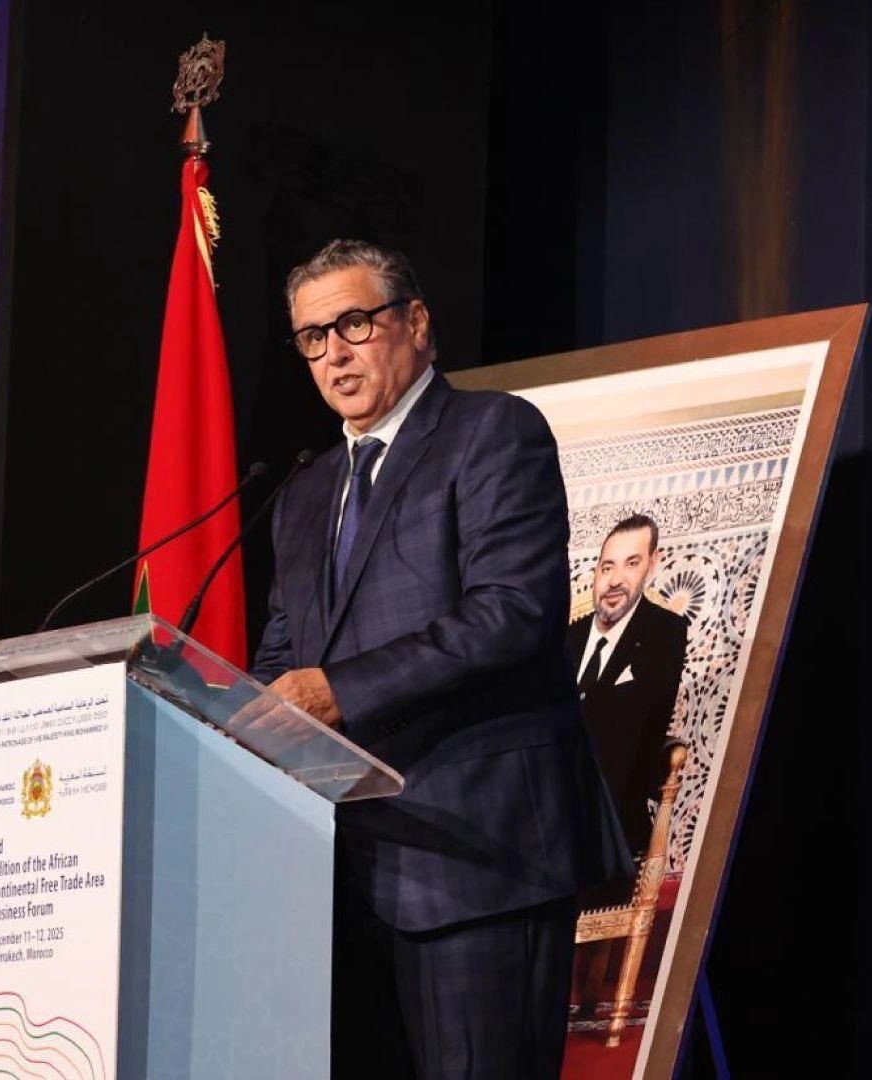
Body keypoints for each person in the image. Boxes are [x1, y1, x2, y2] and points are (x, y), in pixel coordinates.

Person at [250, 238, 629, 1079]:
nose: (334, 353)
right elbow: (284, 650)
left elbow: (511, 613)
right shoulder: (304, 493)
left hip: (476, 859)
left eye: (354, 323)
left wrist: (338, 692)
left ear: (416, 322)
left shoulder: (492, 432)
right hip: (338, 879)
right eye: (312, 337)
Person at [567, 514, 688, 861]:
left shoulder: (664, 632)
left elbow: (633, 732)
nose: (616, 580)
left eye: (631, 564)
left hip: (608, 825)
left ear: (652, 564)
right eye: (607, 567)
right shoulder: (566, 638)